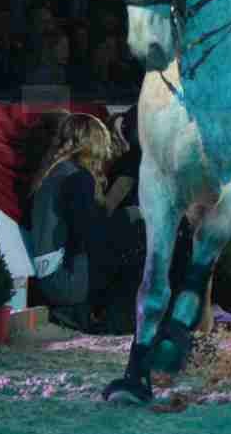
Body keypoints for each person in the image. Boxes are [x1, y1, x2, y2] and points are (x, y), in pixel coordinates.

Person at [25, 113, 146, 333]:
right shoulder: (78, 178)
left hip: (51, 280)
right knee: (140, 239)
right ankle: (117, 326)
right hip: (66, 281)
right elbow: (92, 234)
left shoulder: (54, 173)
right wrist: (132, 214)